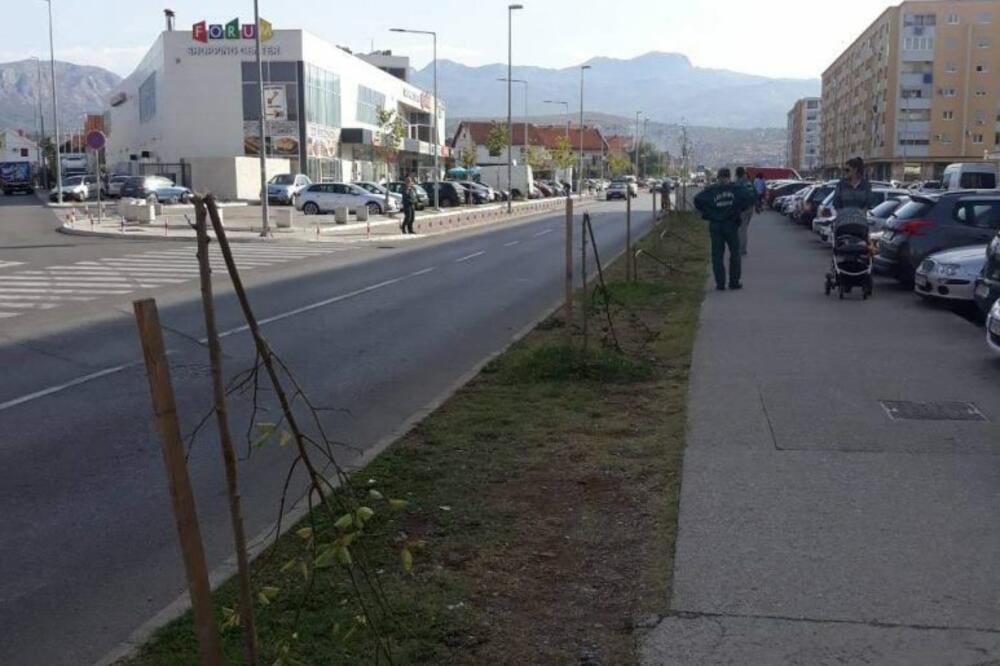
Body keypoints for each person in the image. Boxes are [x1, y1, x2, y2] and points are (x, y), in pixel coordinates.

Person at [694, 167, 755, 291]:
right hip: (731, 224)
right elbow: (750, 198)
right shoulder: (736, 189)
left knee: (717, 255)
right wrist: (738, 209)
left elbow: (697, 200)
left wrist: (708, 214)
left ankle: (720, 284)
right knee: (735, 253)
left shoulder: (711, 190)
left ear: (718, 177)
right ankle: (734, 282)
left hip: (716, 225)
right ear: (729, 177)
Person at [735, 167, 755, 257]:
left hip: (742, 209)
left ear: (737, 174)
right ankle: (742, 248)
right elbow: (755, 193)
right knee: (744, 229)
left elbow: (735, 197)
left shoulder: (738, 183)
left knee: (741, 230)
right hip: (750, 208)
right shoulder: (749, 182)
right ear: (744, 173)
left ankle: (741, 249)